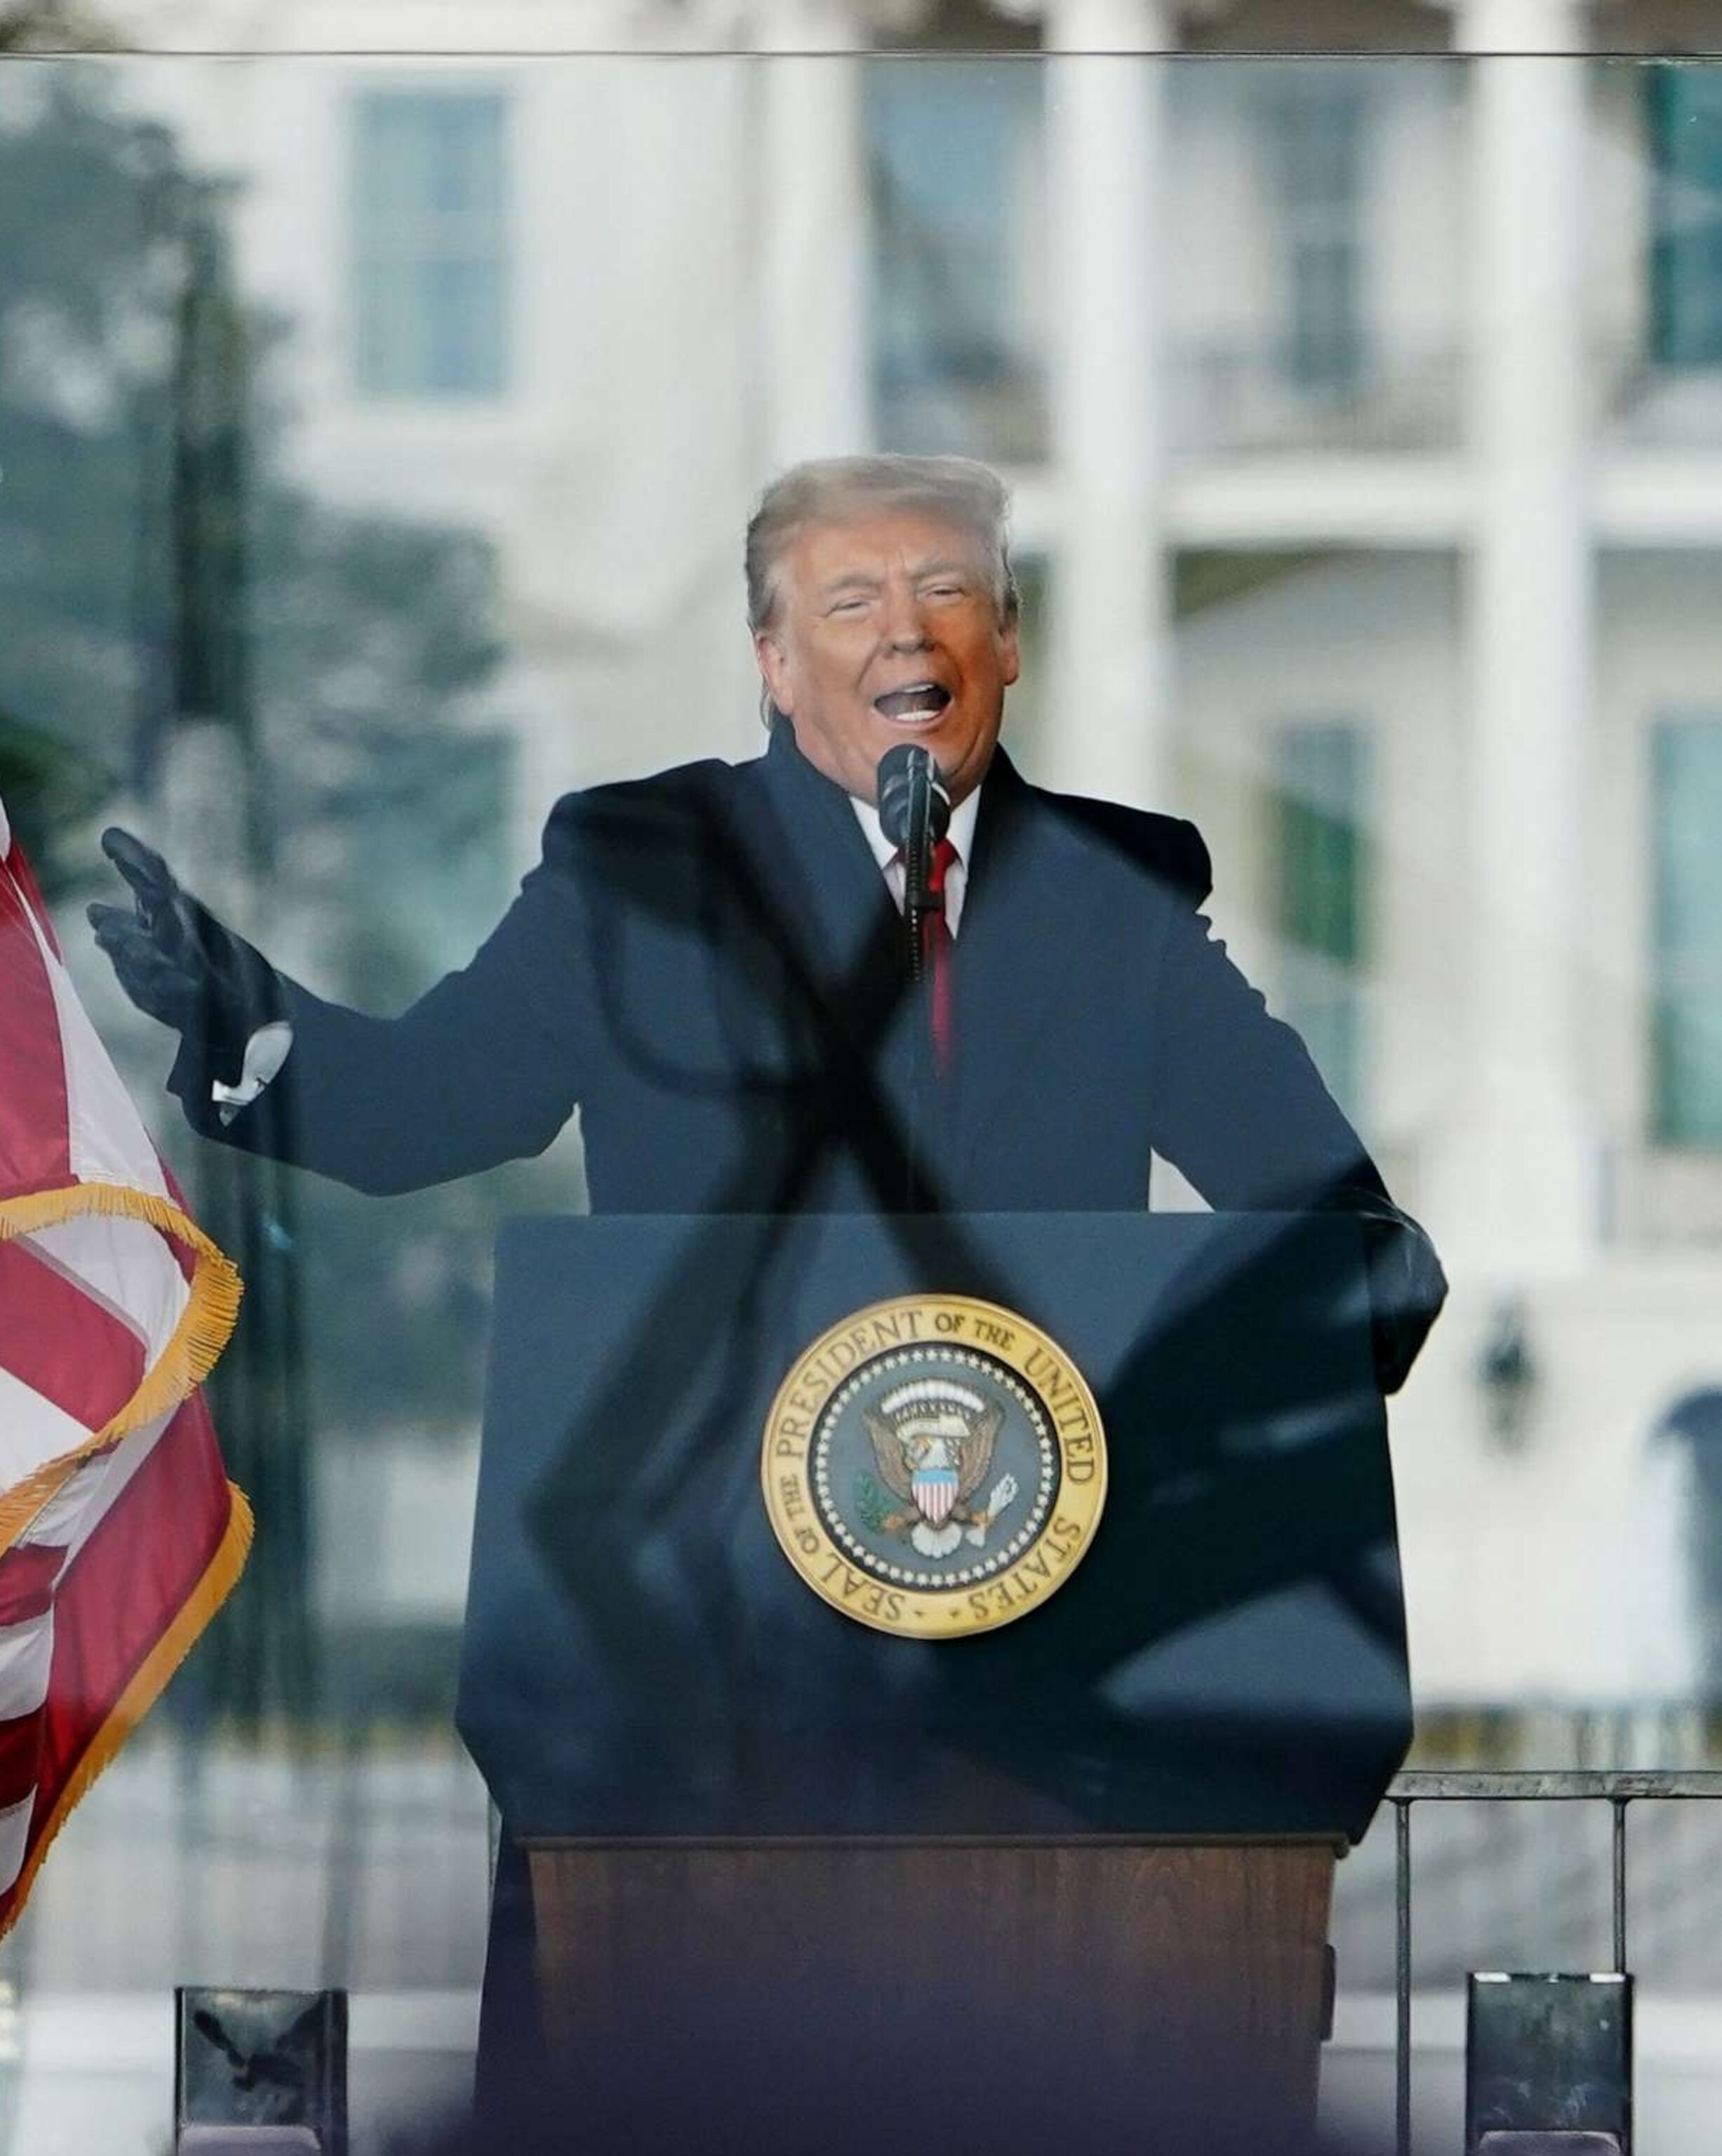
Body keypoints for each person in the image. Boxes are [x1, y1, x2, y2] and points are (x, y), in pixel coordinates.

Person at [91, 452, 1447, 2131]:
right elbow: (431, 1105)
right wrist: (243, 1013)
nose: (910, 632)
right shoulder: (648, 867)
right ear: (772, 655)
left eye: (947, 590)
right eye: (854, 598)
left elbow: (1339, 1242)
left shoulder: (1120, 899)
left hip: (1064, 1695)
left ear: (1008, 639)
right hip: (684, 1666)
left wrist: (1294, 1346)